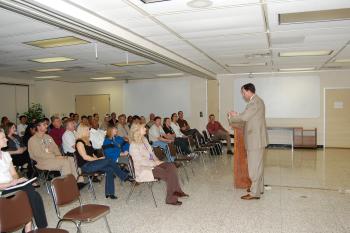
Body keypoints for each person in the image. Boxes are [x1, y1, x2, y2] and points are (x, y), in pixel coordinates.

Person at [0, 129, 48, 232]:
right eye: (3, 138)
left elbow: (13, 173)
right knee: (32, 194)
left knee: (30, 191)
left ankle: (30, 228)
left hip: (11, 186)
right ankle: (36, 228)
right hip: (2, 189)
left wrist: (17, 181)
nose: (6, 140)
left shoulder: (5, 154)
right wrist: (10, 183)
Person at [129, 123, 188, 206]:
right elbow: (140, 162)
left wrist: (157, 160)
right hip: (144, 169)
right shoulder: (133, 145)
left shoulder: (144, 139)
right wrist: (155, 163)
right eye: (143, 128)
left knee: (171, 166)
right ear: (137, 131)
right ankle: (171, 198)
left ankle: (177, 192)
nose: (146, 129)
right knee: (168, 174)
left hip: (153, 164)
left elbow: (151, 153)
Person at [228, 83, 267, 200]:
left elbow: (244, 117)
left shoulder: (254, 102)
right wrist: (238, 115)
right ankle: (258, 188)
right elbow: (248, 117)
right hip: (257, 139)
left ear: (249, 91)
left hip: (255, 140)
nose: (243, 95)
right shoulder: (257, 101)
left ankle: (254, 193)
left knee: (254, 167)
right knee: (258, 166)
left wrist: (232, 117)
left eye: (243, 92)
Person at [75, 125, 131, 199]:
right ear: (82, 132)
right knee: (110, 159)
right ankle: (124, 176)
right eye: (87, 130)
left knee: (110, 169)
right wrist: (98, 160)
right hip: (86, 166)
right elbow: (85, 157)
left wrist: (98, 159)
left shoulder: (89, 141)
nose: (89, 131)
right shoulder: (79, 142)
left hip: (93, 164)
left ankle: (110, 193)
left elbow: (92, 154)